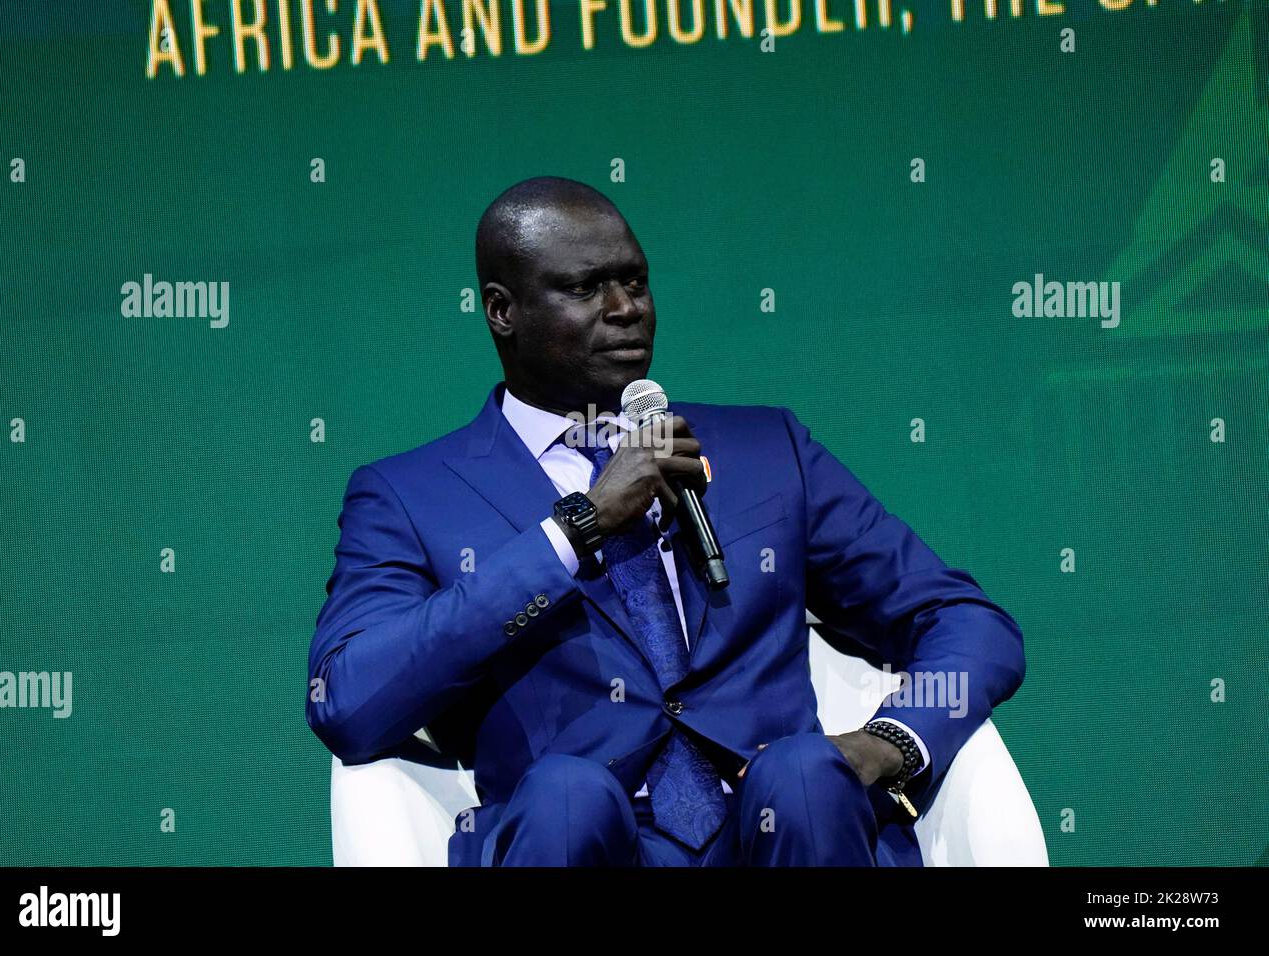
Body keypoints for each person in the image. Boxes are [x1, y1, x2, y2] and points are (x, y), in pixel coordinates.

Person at [306, 176, 1026, 866]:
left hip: (783, 833)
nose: (627, 308)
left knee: (804, 775)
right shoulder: (409, 494)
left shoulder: (764, 450)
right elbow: (348, 700)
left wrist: (888, 743)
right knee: (568, 793)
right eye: (586, 288)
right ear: (503, 310)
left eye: (636, 282)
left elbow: (964, 621)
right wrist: (578, 528)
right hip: (580, 843)